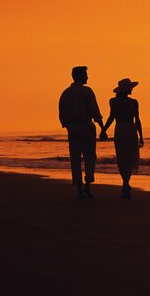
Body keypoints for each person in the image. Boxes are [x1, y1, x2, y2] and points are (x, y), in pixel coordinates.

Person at [59, 66, 105, 198]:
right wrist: (102, 128)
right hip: (86, 126)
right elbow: (95, 112)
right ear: (79, 76)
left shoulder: (66, 93)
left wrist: (68, 126)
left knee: (75, 159)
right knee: (89, 157)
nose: (87, 77)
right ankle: (88, 186)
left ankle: (79, 189)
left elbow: (62, 114)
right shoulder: (87, 91)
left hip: (73, 128)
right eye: (85, 75)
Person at [100, 78, 144, 199]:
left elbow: (111, 117)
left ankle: (125, 183)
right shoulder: (133, 102)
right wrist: (141, 136)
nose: (132, 89)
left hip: (120, 130)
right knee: (130, 157)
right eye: (130, 88)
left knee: (122, 157)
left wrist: (103, 130)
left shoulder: (114, 101)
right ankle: (125, 183)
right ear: (127, 89)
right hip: (130, 130)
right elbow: (137, 120)